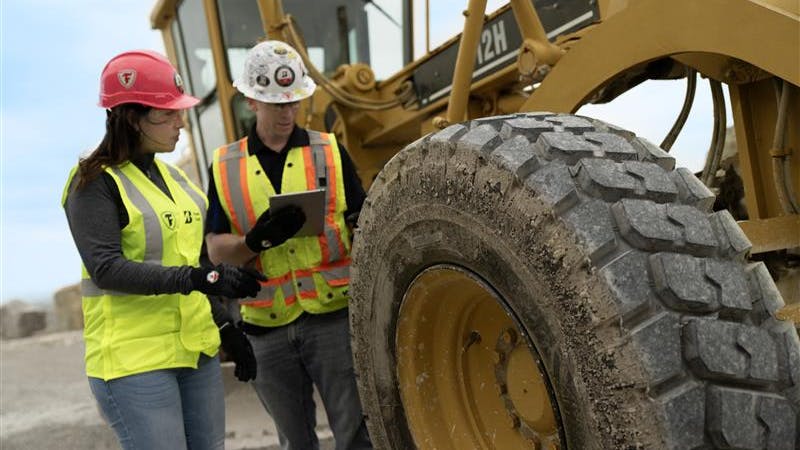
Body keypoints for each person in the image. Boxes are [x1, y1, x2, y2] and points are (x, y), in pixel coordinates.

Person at [62, 50, 264, 450]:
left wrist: (226, 326)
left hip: (197, 353)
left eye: (179, 111)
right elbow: (107, 269)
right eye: (167, 114)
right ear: (132, 119)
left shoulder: (175, 179)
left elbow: (192, 260)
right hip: (134, 364)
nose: (180, 122)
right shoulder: (94, 183)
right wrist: (202, 278)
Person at [204, 40, 372, 450]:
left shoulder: (330, 150)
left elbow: (363, 221)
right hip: (266, 327)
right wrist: (254, 241)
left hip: (331, 316)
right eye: (276, 104)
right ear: (251, 101)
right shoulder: (225, 165)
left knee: (355, 436)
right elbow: (215, 250)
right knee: (295, 442)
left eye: (293, 102)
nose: (287, 112)